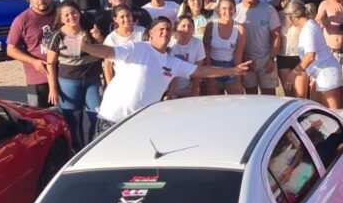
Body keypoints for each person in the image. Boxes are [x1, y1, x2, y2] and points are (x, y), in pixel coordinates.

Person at [78, 17, 248, 134]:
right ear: (150, 33)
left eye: (168, 29)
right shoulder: (137, 48)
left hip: (140, 123)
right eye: (160, 29)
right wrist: (84, 47)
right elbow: (108, 52)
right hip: (112, 119)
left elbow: (200, 71)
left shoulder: (172, 62)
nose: (165, 32)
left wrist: (232, 70)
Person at [45, 2, 102, 149]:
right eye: (67, 15)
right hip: (68, 82)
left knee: (97, 117)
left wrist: (99, 38)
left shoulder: (91, 31)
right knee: (73, 120)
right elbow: (50, 63)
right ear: (62, 19)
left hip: (92, 80)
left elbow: (105, 51)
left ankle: (92, 148)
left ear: (80, 13)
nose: (71, 17)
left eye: (74, 12)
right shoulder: (57, 36)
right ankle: (77, 151)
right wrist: (53, 88)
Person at [7, 0, 58, 105]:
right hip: (37, 77)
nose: (41, 0)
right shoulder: (22, 20)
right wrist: (34, 62)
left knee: (68, 118)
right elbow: (11, 49)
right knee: (40, 117)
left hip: (64, 75)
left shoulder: (62, 12)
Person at [288, 0, 343, 109]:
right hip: (320, 73)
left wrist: (294, 73)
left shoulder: (308, 28)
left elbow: (310, 56)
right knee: (317, 112)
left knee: (332, 115)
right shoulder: (308, 26)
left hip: (327, 73)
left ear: (292, 17)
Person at [236, 0, 282, 95]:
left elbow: (276, 35)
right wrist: (242, 57)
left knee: (269, 96)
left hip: (266, 59)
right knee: (251, 96)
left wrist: (272, 58)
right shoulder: (236, 11)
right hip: (246, 60)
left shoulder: (269, 9)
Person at [203, 0, 246, 95]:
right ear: (218, 9)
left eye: (231, 8)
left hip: (231, 67)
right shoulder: (211, 26)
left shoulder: (240, 29)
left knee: (236, 101)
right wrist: (210, 79)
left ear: (235, 9)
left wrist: (238, 80)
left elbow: (238, 56)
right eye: (224, 8)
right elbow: (206, 53)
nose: (228, 11)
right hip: (213, 67)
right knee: (214, 104)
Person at [101, 5, 145, 85]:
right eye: (122, 17)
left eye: (128, 15)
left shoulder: (142, 31)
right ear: (115, 19)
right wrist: (110, 86)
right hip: (122, 81)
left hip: (142, 79)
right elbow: (107, 65)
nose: (126, 19)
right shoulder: (111, 39)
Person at [168, 14, 207, 98]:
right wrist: (169, 94)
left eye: (190, 26)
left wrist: (194, 92)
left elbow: (198, 70)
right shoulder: (169, 43)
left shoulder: (198, 43)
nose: (187, 29)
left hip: (189, 89)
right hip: (169, 89)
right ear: (176, 29)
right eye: (183, 26)